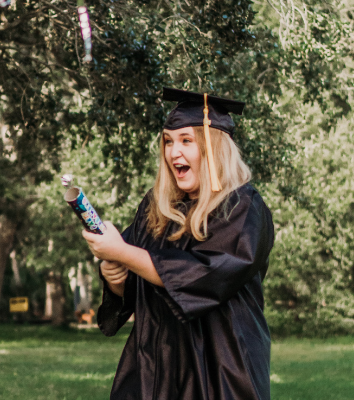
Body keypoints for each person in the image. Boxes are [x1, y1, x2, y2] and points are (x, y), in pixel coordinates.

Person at [82, 88, 274, 400]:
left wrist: (123, 252)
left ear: (213, 148)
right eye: (168, 142)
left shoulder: (242, 206)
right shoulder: (155, 209)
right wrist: (114, 273)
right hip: (156, 365)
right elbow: (135, 287)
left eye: (186, 140)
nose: (174, 153)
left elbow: (206, 276)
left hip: (221, 364)